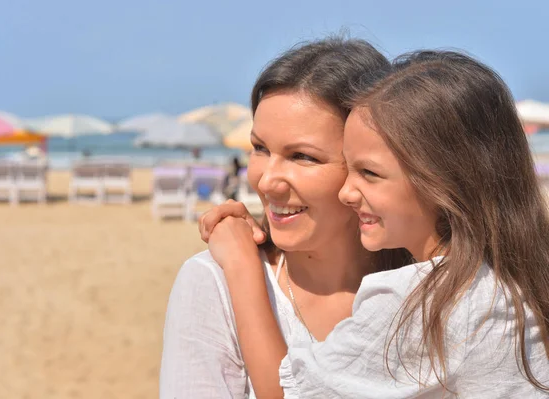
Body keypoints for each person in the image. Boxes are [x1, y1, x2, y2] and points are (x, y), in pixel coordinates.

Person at [201, 50, 549, 397]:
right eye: (259, 147)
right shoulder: (507, 276)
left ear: (441, 181)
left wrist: (241, 264)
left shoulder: (427, 300)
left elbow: (284, 393)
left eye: (369, 173)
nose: (347, 192)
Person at [159, 37, 410, 398]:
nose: (266, 181)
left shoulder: (427, 284)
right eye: (259, 148)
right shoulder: (212, 282)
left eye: (302, 157)